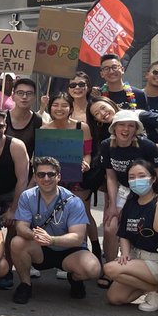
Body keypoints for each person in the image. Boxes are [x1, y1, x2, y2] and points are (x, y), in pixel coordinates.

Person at [9, 157, 103, 304]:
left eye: (51, 174)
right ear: (35, 177)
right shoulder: (27, 196)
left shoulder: (74, 201)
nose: (46, 178)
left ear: (59, 176)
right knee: (17, 242)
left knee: (93, 268)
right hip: (40, 247)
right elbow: (21, 227)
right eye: (41, 174)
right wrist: (36, 235)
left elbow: (78, 237)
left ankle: (75, 278)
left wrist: (51, 240)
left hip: (69, 250)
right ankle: (25, 284)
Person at [102, 161, 158, 312]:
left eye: (142, 176)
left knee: (110, 269)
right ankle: (157, 290)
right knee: (115, 297)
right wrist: (124, 253)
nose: (136, 180)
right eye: (132, 177)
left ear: (153, 178)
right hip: (137, 258)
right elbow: (124, 233)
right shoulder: (131, 203)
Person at [99, 108, 158, 263]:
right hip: (122, 189)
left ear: (136, 129)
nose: (126, 129)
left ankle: (141, 261)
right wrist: (112, 205)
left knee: (143, 226)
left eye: (131, 125)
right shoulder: (106, 146)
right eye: (121, 125)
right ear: (114, 128)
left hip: (146, 189)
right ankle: (110, 267)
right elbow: (110, 176)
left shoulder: (147, 146)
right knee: (110, 227)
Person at [42, 92, 98, 257]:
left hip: (77, 177)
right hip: (53, 180)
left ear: (71, 108)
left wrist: (86, 163)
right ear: (50, 107)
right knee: (56, 214)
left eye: (64, 105)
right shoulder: (45, 129)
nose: (60, 109)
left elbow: (88, 152)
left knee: (82, 213)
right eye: (56, 105)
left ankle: (90, 247)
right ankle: (58, 252)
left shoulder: (82, 127)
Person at [4, 77, 42, 158]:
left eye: (29, 93)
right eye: (20, 93)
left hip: (25, 168)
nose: (24, 97)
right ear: (13, 96)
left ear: (35, 97)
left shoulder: (38, 121)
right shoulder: (2, 118)